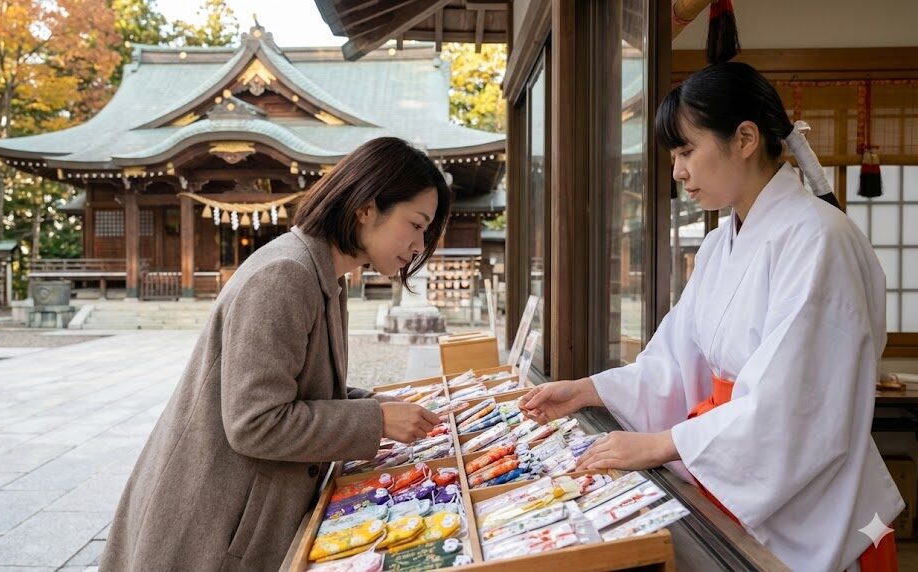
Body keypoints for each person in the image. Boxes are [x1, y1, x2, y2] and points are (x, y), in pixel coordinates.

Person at [519, 62, 903, 572]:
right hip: (733, 477)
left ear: (745, 138)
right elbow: (679, 359)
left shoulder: (819, 239)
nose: (678, 171)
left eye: (685, 151)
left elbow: (795, 404)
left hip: (809, 505)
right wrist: (590, 389)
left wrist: (660, 443)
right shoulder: (722, 241)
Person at [100, 137, 448, 571]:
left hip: (238, 513)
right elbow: (255, 422)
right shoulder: (286, 274)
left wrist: (372, 404)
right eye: (416, 224)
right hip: (212, 526)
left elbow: (299, 386)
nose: (419, 245)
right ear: (366, 207)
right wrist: (375, 421)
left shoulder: (322, 272)